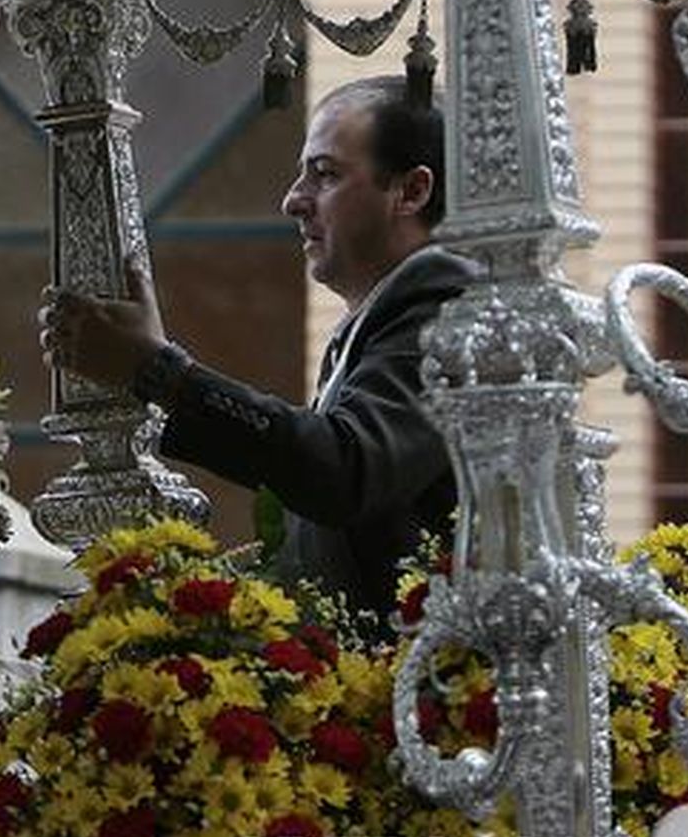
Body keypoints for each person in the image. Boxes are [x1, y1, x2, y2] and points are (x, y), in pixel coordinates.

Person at [38, 75, 479, 621]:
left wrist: (158, 371)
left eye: (325, 175)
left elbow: (345, 468)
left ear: (411, 191)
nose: (294, 200)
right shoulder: (377, 322)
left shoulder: (449, 307)